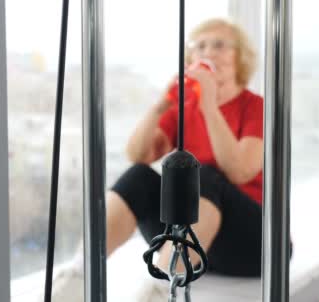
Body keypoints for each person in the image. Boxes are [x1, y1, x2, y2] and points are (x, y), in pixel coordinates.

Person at [46, 18, 264, 301]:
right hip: (194, 242)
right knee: (139, 175)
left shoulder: (255, 106)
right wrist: (163, 103)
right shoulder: (185, 109)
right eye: (199, 47)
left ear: (240, 57)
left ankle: (161, 292)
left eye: (219, 45)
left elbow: (240, 170)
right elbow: (137, 154)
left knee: (200, 173)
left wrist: (209, 103)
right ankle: (78, 275)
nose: (208, 53)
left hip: (248, 242)